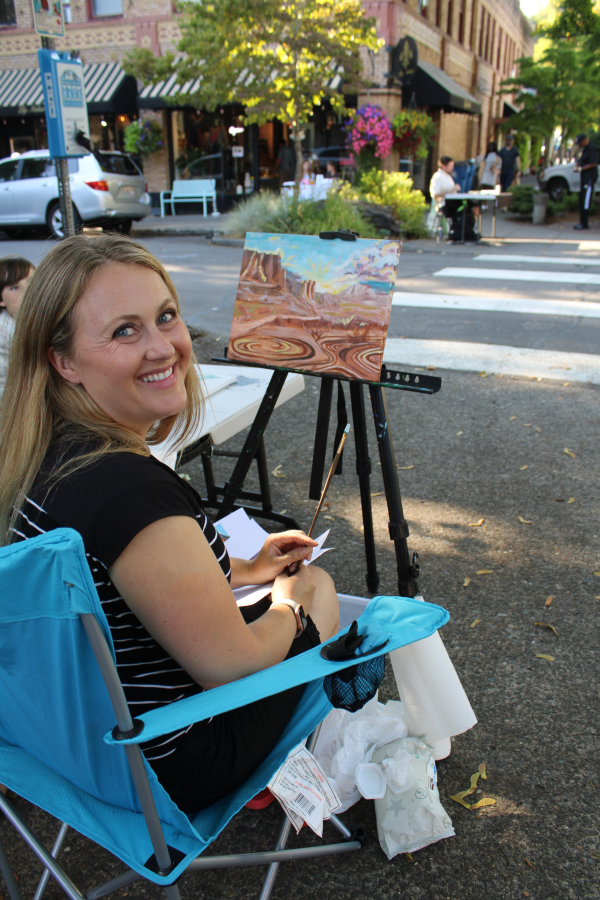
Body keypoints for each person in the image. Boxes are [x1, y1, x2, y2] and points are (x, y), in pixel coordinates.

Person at [0, 233, 340, 814]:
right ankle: (282, 772)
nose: (163, 348)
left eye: (165, 317)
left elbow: (111, 581)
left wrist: (243, 568)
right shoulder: (130, 491)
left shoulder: (36, 454)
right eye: (124, 330)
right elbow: (231, 666)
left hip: (66, 746)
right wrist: (289, 601)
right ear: (64, 360)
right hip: (165, 766)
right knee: (318, 586)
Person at [0, 256, 34, 395]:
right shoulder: (3, 330)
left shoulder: (39, 318)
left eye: (31, 283)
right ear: (1, 299)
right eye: (15, 287)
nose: (26, 292)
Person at [573, 133, 598, 231]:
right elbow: (582, 159)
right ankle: (582, 221)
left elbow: (593, 163)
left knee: (585, 200)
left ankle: (584, 223)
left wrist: (580, 169)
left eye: (580, 143)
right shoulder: (585, 149)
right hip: (584, 178)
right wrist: (578, 164)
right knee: (582, 198)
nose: (580, 145)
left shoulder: (592, 148)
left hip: (590, 178)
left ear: (584, 140)